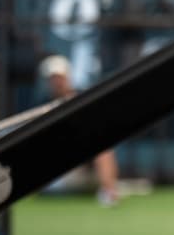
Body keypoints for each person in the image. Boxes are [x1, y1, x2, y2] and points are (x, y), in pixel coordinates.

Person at [39, 54, 120, 207]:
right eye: (53, 78)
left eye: (60, 77)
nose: (57, 82)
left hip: (85, 169)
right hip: (59, 175)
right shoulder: (42, 107)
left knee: (103, 148)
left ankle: (109, 192)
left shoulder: (82, 99)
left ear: (67, 77)